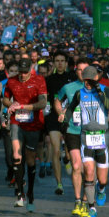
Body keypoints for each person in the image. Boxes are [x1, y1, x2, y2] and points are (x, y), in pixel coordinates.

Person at [63, 66, 109, 217]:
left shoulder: (106, 90)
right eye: (85, 81)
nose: (87, 84)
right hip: (86, 137)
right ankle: (91, 208)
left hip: (102, 137)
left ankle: (102, 189)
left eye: (90, 81)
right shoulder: (80, 93)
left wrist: (99, 92)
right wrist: (65, 122)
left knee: (102, 179)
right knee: (89, 171)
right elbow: (71, 108)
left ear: (96, 79)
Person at [2, 57, 47, 212]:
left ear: (31, 69)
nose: (22, 75)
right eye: (20, 72)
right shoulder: (12, 81)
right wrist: (12, 104)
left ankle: (31, 193)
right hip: (17, 122)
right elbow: (5, 99)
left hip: (34, 124)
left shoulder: (39, 80)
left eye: (25, 72)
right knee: (16, 154)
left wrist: (25, 106)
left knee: (30, 158)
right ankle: (20, 193)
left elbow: (43, 103)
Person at [56, 60, 87, 217]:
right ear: (76, 71)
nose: (82, 72)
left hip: (91, 134)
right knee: (76, 166)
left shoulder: (97, 89)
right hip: (73, 130)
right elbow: (57, 99)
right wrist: (61, 112)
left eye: (85, 70)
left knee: (88, 169)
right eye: (80, 70)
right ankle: (77, 200)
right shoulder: (68, 88)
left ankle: (87, 199)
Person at [45, 52, 73, 194]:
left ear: (66, 63)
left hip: (70, 117)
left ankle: (67, 159)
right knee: (56, 149)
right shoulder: (49, 80)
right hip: (53, 117)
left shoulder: (72, 79)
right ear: (54, 63)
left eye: (63, 60)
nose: (60, 63)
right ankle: (59, 184)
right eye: (57, 61)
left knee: (68, 150)